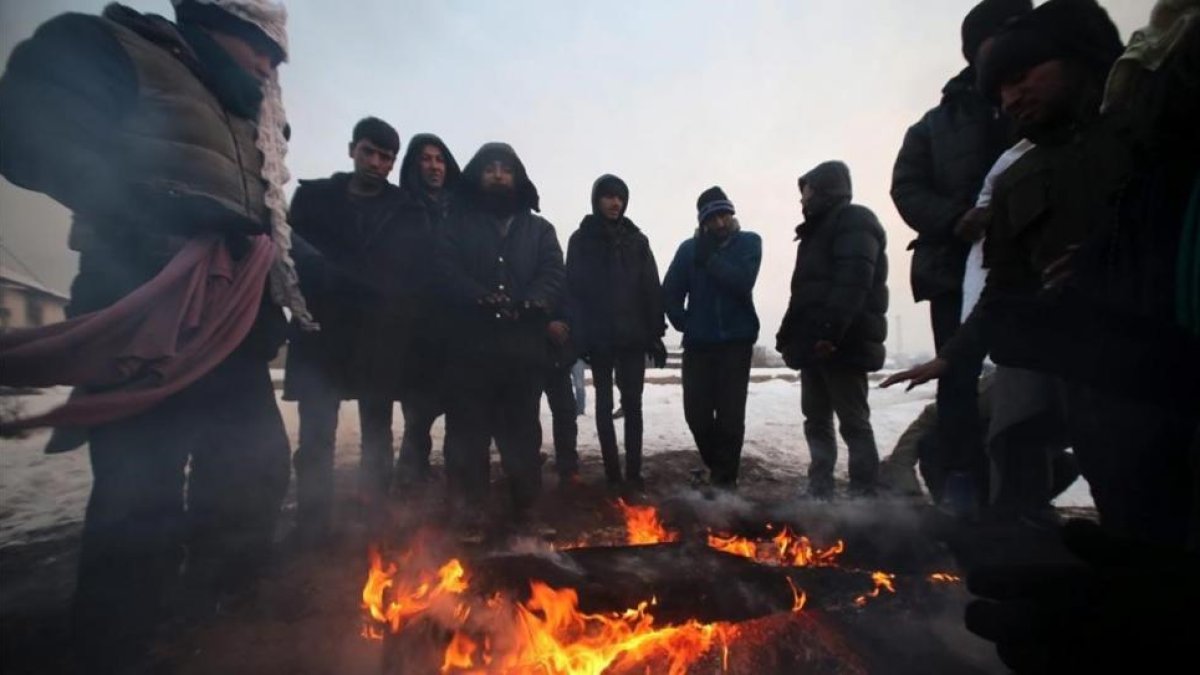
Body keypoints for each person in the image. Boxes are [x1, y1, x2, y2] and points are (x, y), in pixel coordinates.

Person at [0, 0, 305, 669]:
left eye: (276, 54)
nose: (268, 62)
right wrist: (145, 206)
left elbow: (265, 222)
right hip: (147, 316)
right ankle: (114, 645)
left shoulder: (255, 122)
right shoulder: (119, 48)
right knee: (141, 501)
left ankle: (216, 623)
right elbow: (27, 130)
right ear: (217, 21)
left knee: (253, 474)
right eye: (260, 45)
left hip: (237, 332)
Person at [884, 0, 1198, 547]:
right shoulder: (1017, 177)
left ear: (1077, 60)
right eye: (1000, 89)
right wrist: (955, 354)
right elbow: (1002, 287)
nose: (1011, 98)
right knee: (1120, 497)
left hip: (1164, 365)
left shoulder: (1154, 134)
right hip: (1087, 376)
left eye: (1022, 76)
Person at [890, 0, 1031, 511]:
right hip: (953, 270)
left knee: (1031, 379)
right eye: (1004, 35)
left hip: (1035, 267)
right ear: (976, 50)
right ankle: (962, 488)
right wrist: (955, 219)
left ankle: (1023, 494)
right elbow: (906, 188)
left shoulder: (1047, 101)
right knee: (955, 379)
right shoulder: (934, 125)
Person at [283, 117, 430, 540]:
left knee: (377, 434)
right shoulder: (313, 198)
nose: (376, 162)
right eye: (369, 151)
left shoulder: (408, 209)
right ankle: (311, 524)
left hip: (379, 333)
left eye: (386, 157)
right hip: (322, 331)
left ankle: (375, 516)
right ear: (352, 150)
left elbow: (416, 270)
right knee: (315, 438)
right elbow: (288, 248)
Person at [437, 142, 565, 524]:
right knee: (468, 437)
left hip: (522, 351)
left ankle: (526, 513)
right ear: (478, 175)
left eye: (505, 169)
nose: (497, 175)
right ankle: (471, 513)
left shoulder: (540, 229)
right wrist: (479, 297)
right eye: (490, 168)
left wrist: (534, 301)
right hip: (469, 350)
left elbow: (554, 273)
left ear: (517, 177)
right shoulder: (456, 223)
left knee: (523, 436)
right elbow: (444, 270)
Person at [776, 161, 888, 498]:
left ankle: (863, 495)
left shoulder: (855, 220)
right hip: (815, 345)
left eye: (807, 192)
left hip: (842, 343)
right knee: (816, 420)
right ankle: (820, 488)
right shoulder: (814, 233)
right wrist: (789, 334)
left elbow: (854, 280)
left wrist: (830, 331)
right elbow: (805, 294)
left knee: (853, 423)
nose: (802, 200)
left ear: (825, 189)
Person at [565, 174, 666, 490]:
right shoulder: (581, 240)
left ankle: (634, 472)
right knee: (603, 405)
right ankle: (612, 473)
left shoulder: (637, 241)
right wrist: (579, 335)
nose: (615, 203)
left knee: (633, 404)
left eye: (620, 197)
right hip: (599, 337)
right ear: (597, 200)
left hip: (632, 337)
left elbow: (650, 287)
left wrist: (655, 333)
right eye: (608, 196)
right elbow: (574, 291)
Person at [663, 187, 761, 490]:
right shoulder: (687, 250)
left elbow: (742, 282)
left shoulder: (750, 242)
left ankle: (724, 483)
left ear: (731, 213)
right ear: (703, 221)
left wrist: (711, 261)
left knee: (731, 419)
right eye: (712, 218)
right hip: (699, 345)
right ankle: (718, 468)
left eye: (724, 215)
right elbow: (669, 292)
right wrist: (684, 321)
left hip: (736, 343)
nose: (720, 223)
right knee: (697, 415)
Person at [394, 133, 462, 485]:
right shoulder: (401, 207)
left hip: (459, 331)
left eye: (440, 159)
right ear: (414, 164)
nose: (434, 166)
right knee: (417, 420)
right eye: (426, 159)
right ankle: (409, 493)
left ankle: (457, 494)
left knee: (461, 420)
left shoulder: (463, 211)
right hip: (417, 333)